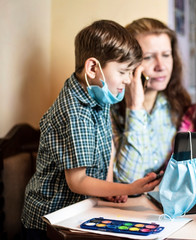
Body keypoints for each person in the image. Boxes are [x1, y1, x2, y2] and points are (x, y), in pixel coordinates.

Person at [21, 20, 161, 239]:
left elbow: (108, 147)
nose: (128, 80)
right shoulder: (74, 112)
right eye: (124, 72)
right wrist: (128, 189)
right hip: (50, 221)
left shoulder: (98, 94)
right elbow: (77, 182)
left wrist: (109, 188)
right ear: (93, 68)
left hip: (81, 211)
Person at [111, 18, 191, 184]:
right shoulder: (109, 109)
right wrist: (135, 108)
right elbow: (127, 181)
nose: (161, 66)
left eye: (166, 55)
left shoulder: (178, 103)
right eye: (148, 57)